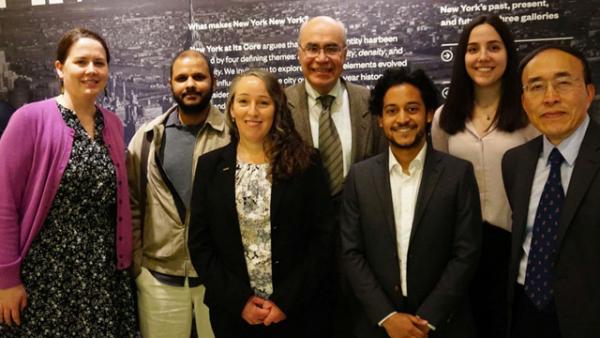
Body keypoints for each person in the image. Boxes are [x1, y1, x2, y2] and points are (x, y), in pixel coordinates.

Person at [0, 28, 136, 336]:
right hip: (45, 277)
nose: (91, 70)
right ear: (60, 68)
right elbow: (3, 203)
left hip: (104, 275)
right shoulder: (28, 119)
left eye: (99, 63)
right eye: (81, 61)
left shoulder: (112, 124)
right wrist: (6, 279)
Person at [188, 69, 334, 338]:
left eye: (263, 102)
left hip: (297, 313)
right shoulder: (210, 166)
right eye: (243, 101)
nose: (252, 111)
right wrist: (240, 301)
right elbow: (200, 244)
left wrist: (285, 301)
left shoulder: (306, 163)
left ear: (276, 109)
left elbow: (323, 240)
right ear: (231, 108)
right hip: (234, 315)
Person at [341, 68, 482, 338]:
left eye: (412, 109)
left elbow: (466, 253)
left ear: (429, 114)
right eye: (392, 111)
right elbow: (351, 252)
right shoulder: (360, 177)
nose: (402, 119)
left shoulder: (458, 174)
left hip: (442, 324)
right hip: (378, 325)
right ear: (380, 119)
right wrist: (387, 316)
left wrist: (427, 319)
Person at [430, 14, 538, 337]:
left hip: (517, 246)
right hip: (463, 248)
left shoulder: (529, 114)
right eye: (473, 49)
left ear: (508, 53)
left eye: (494, 47)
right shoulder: (443, 118)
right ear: (462, 56)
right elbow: (441, 185)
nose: (483, 57)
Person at [285, 15, 383, 336]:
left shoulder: (370, 103)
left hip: (361, 249)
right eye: (312, 48)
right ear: (299, 53)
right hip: (298, 254)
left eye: (331, 49)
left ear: (345, 53)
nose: (322, 59)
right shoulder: (279, 106)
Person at [126, 49, 229, 338]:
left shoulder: (235, 136)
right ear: (170, 84)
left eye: (199, 77)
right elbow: (131, 201)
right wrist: (138, 265)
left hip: (220, 281)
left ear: (214, 81)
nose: (190, 84)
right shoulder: (147, 138)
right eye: (181, 78)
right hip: (158, 280)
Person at [503, 45, 598, 337]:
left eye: (563, 83)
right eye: (536, 87)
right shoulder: (515, 161)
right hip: (525, 311)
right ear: (524, 101)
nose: (550, 97)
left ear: (589, 93)